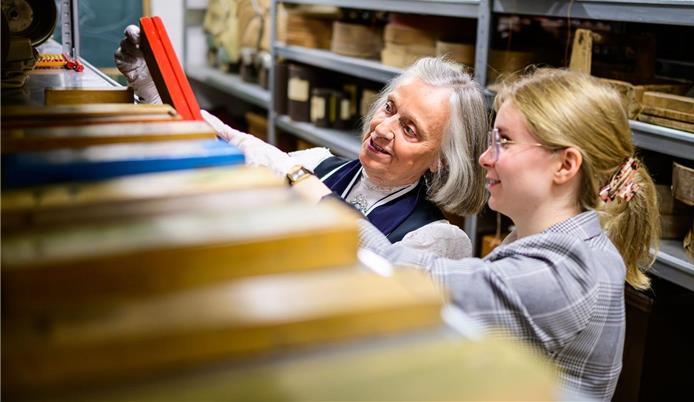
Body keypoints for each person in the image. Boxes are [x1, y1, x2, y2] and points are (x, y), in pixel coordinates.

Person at [296, 68, 660, 400]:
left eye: (505, 141)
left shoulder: (562, 275)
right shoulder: (551, 242)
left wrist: (314, 195)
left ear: (565, 165)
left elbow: (409, 279)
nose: (485, 157)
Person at [114, 25, 488, 258]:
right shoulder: (319, 163)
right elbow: (221, 161)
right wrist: (153, 91)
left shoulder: (436, 239)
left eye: (410, 129)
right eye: (389, 107)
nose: (383, 128)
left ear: (441, 159)